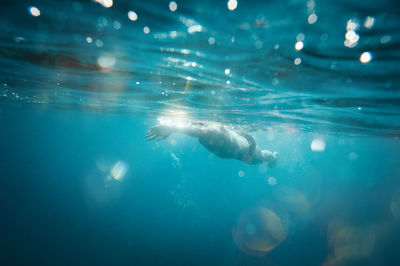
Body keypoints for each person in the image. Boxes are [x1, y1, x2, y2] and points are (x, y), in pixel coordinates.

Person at [146, 120, 278, 167]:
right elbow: (196, 130)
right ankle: (272, 157)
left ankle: (274, 157)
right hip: (237, 149)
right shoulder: (214, 133)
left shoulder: (216, 134)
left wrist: (173, 128)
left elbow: (199, 131)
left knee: (261, 158)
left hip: (247, 149)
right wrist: (173, 128)